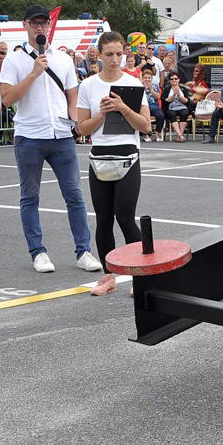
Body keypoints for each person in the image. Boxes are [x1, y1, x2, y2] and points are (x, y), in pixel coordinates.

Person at [0, 4, 104, 274]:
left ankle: (84, 251)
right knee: (30, 196)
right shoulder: (14, 60)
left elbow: (72, 93)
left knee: (74, 196)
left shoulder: (63, 59)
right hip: (29, 136)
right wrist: (33, 73)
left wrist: (74, 120)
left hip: (61, 135)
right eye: (34, 23)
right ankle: (38, 252)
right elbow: (7, 99)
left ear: (49, 26)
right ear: (25, 25)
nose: (40, 28)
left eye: (44, 23)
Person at [76, 31, 150, 297]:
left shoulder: (133, 83)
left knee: (125, 218)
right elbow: (82, 127)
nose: (115, 59)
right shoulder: (88, 85)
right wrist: (103, 113)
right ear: (99, 54)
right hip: (100, 156)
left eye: (119, 54)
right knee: (104, 220)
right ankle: (108, 277)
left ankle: (141, 276)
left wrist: (123, 108)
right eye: (109, 54)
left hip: (129, 155)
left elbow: (145, 126)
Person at [162, 71, 191, 143]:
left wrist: (179, 96)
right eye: (172, 79)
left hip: (182, 106)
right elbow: (165, 101)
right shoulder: (167, 89)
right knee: (172, 114)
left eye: (175, 78)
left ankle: (179, 136)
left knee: (184, 113)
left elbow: (187, 101)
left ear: (179, 79)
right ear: (169, 80)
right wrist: (173, 95)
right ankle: (180, 135)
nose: (174, 80)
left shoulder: (183, 89)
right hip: (171, 107)